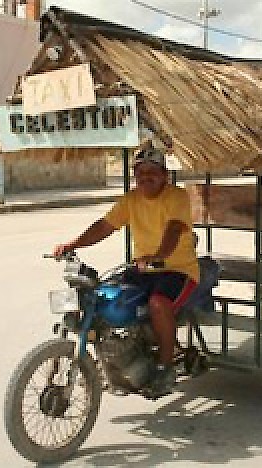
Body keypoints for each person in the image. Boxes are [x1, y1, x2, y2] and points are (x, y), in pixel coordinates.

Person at [53, 147, 199, 397]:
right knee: (106, 297)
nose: (146, 177)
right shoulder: (131, 200)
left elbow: (174, 229)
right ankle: (115, 356)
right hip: (143, 269)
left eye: (152, 172)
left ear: (165, 175)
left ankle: (165, 367)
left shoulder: (177, 197)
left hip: (177, 270)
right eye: (141, 172)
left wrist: (158, 256)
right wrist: (72, 245)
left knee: (158, 303)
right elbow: (104, 226)